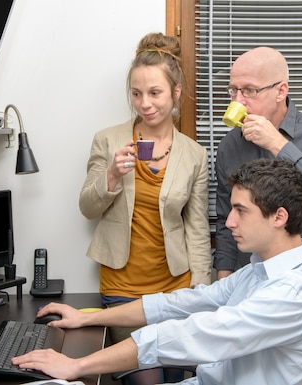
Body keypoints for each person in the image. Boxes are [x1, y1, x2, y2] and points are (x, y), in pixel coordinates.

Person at [13, 159, 302, 385]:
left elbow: (189, 334)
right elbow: (177, 305)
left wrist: (76, 365)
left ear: (279, 217)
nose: (230, 222)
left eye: (241, 211)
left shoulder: (292, 294)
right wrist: (88, 317)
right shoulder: (259, 271)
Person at [77, 32, 212, 384]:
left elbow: (197, 228)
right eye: (137, 94)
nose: (145, 104)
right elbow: (87, 207)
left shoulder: (194, 155)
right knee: (145, 379)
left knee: (180, 379)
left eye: (155, 93)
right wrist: (110, 176)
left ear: (176, 92)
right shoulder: (108, 141)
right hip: (123, 289)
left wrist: (201, 291)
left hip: (177, 290)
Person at [213, 46, 302, 314]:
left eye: (249, 90)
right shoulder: (230, 145)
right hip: (249, 286)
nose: (238, 101)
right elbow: (226, 217)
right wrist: (224, 282)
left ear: (281, 91)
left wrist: (277, 143)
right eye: (233, 91)